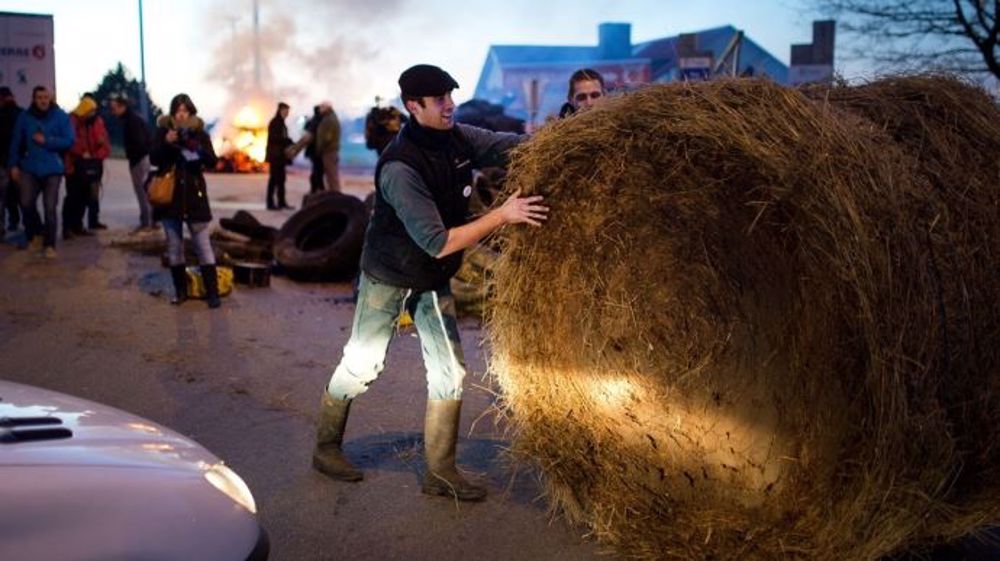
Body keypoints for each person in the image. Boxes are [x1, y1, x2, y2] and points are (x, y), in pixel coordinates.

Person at [312, 64, 548, 502]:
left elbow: (507, 145)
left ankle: (440, 471)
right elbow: (438, 243)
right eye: (439, 100)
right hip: (389, 276)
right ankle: (326, 446)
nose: (449, 105)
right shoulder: (400, 168)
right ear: (413, 106)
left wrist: (558, 136)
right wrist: (503, 215)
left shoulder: (457, 137)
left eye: (450, 96)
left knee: (450, 371)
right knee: (362, 366)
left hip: (431, 279)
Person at [149, 93, 221, 309]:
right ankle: (181, 292)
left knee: (203, 246)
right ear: (172, 113)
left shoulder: (199, 132)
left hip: (194, 196)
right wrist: (166, 143)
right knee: (174, 247)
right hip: (170, 198)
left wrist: (196, 147)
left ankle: (212, 293)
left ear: (190, 112)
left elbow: (212, 161)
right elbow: (153, 158)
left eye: (185, 110)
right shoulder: (163, 131)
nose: (181, 115)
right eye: (177, 111)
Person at [7, 85, 73, 257]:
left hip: (52, 169)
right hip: (30, 167)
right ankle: (35, 235)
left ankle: (50, 245)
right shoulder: (24, 117)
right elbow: (15, 142)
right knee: (26, 203)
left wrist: (47, 141)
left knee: (49, 207)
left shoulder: (60, 116)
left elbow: (69, 140)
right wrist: (13, 165)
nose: (43, 101)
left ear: (50, 99)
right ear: (34, 99)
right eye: (39, 98)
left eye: (46, 97)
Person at [62, 94, 110, 239]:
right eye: (91, 111)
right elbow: (70, 141)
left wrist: (97, 151)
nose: (93, 114)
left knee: (84, 196)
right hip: (73, 165)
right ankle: (68, 227)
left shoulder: (87, 122)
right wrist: (82, 152)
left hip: (86, 164)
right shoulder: (72, 121)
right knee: (73, 197)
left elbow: (98, 141)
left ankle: (78, 225)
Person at [109, 94, 154, 231]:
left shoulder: (132, 121)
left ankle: (147, 222)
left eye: (114, 108)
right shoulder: (133, 119)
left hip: (139, 160)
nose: (113, 111)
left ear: (122, 106)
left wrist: (133, 155)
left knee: (142, 192)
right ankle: (149, 221)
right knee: (144, 191)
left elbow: (139, 143)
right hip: (140, 158)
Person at [0, 86, 22, 239]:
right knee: (23, 196)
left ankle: (6, 225)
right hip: (20, 162)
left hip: (3, 162)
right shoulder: (22, 114)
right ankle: (29, 227)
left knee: (4, 197)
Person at [265, 102, 293, 210]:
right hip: (275, 156)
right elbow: (274, 138)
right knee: (274, 180)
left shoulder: (281, 123)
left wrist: (288, 141)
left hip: (280, 156)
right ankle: (270, 203)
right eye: (286, 111)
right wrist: (287, 141)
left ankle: (281, 202)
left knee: (281, 180)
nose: (287, 113)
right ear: (280, 110)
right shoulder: (275, 123)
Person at [315, 102, 341, 191]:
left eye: (322, 108)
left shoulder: (329, 120)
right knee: (331, 176)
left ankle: (335, 194)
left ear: (327, 108)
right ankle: (334, 193)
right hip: (331, 151)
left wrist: (320, 148)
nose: (320, 110)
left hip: (329, 151)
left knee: (331, 176)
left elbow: (327, 138)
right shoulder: (330, 118)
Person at [304, 105, 324, 194]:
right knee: (318, 170)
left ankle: (315, 188)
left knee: (316, 170)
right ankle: (318, 188)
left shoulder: (312, 120)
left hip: (312, 150)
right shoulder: (318, 121)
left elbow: (306, 128)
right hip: (316, 151)